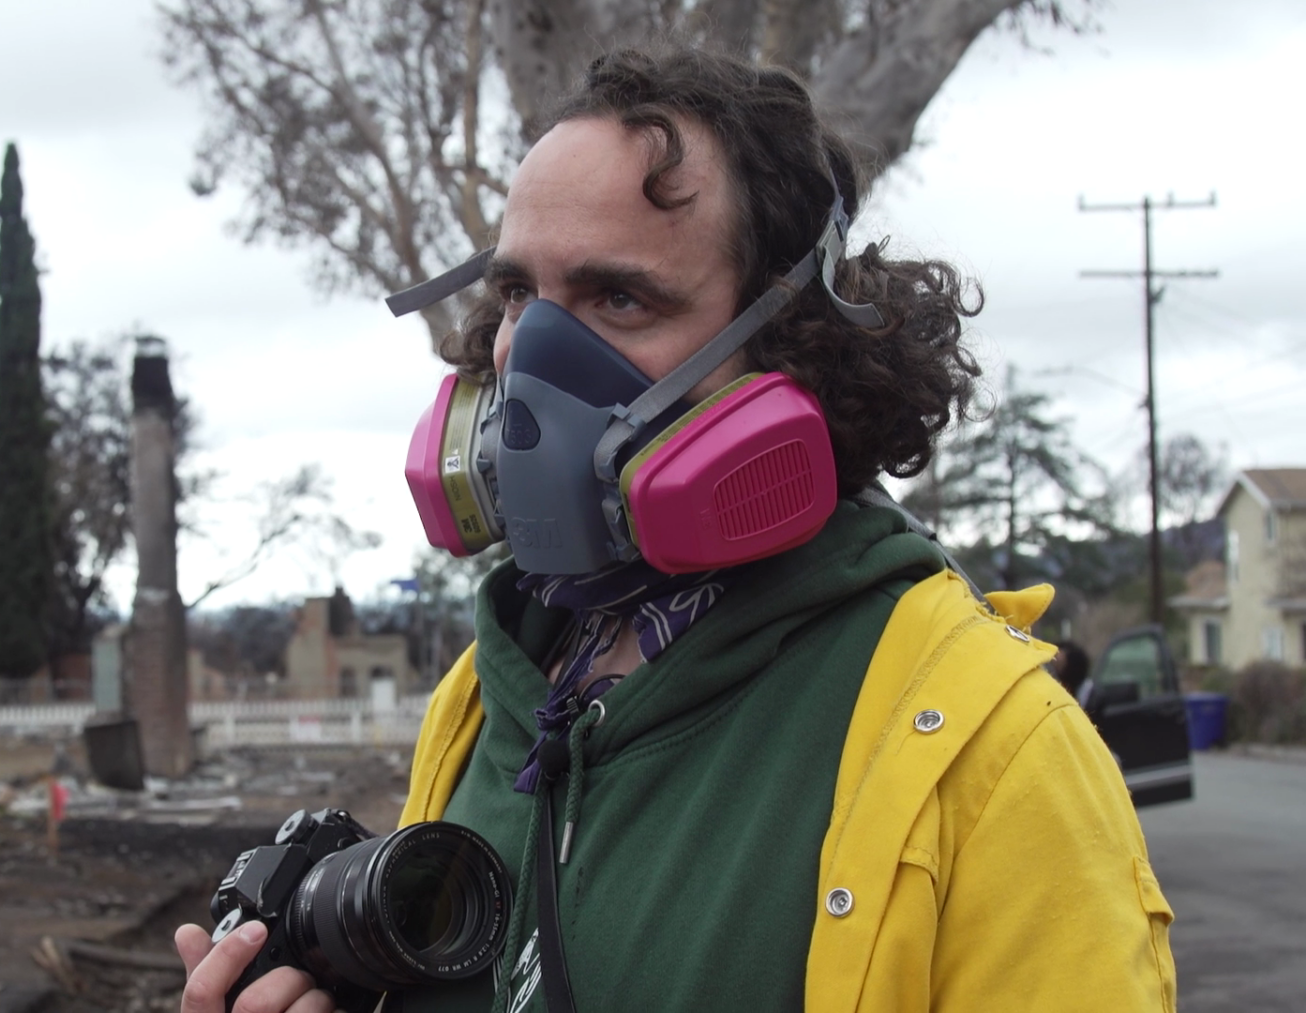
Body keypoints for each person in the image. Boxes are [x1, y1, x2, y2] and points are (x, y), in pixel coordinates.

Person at [177, 46, 1176, 1013]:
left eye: (620, 297)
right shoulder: (488, 693)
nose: (528, 355)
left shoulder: (986, 746)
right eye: (520, 290)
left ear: (793, 342)